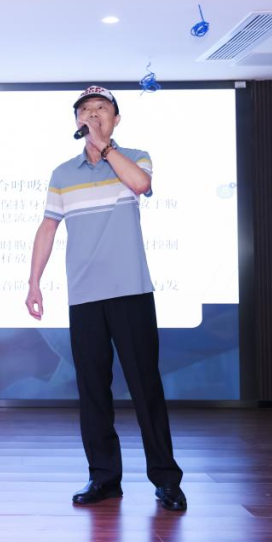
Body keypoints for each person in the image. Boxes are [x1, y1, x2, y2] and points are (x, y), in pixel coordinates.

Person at [25, 85, 186, 511]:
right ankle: (104, 478)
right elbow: (47, 227)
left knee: (145, 387)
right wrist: (34, 282)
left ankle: (166, 480)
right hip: (84, 297)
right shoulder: (63, 173)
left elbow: (141, 184)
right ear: (76, 121)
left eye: (101, 108)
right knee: (93, 390)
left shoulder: (134, 157)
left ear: (115, 119)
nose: (93, 114)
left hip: (131, 292)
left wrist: (107, 148)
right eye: (85, 110)